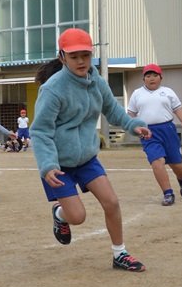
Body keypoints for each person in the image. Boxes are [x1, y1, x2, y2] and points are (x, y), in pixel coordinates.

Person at [31, 28, 151, 272]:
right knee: (77, 217)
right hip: (58, 164)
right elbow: (40, 131)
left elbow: (113, 110)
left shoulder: (96, 82)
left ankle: (120, 254)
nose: (81, 61)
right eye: (74, 56)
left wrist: (133, 125)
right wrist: (48, 165)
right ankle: (60, 215)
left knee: (112, 202)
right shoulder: (53, 89)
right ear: (62, 57)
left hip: (86, 158)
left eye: (85, 55)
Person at [127, 63, 182, 206]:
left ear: (160, 77)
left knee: (177, 164)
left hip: (168, 130)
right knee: (157, 161)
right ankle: (168, 193)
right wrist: (134, 126)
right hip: (148, 132)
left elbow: (178, 108)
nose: (151, 79)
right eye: (148, 76)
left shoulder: (168, 91)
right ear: (143, 79)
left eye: (155, 75)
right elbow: (130, 114)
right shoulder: (137, 94)